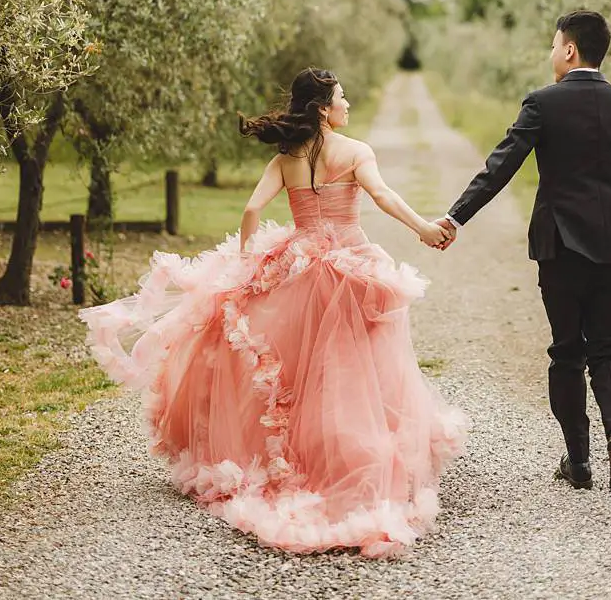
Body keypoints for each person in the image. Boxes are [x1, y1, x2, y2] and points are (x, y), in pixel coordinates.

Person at [82, 68, 467, 557]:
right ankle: (355, 457)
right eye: (342, 97)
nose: (348, 104)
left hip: (300, 266)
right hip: (350, 267)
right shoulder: (355, 152)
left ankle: (300, 458)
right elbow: (383, 196)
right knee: (355, 369)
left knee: (295, 371)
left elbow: (250, 211)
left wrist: (246, 263)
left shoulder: (286, 158)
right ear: (325, 108)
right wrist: (423, 229)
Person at [432, 10, 611, 507]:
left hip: (561, 248)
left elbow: (500, 166)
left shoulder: (543, 103)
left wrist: (456, 217)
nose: (550, 52)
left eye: (553, 43)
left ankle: (579, 463)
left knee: (567, 351)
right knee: (610, 350)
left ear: (568, 49)